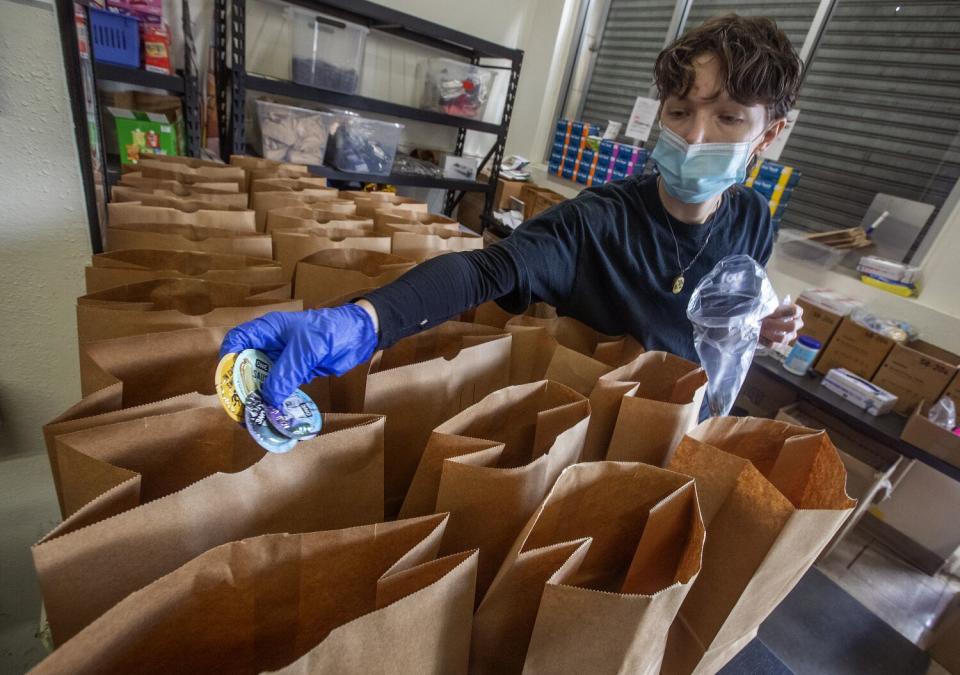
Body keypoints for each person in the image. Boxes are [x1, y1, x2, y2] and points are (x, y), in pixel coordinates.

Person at [223, 14, 805, 408]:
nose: (697, 136)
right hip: (575, 442)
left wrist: (758, 324)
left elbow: (722, 311)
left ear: (768, 134)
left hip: (686, 428)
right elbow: (485, 270)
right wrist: (366, 321)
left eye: (728, 118)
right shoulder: (595, 222)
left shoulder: (754, 219)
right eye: (680, 112)